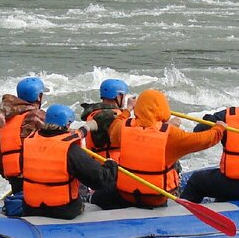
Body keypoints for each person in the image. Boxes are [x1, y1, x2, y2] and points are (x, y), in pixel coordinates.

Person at [89, 88, 225, 209]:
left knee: (98, 197)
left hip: (126, 194)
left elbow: (114, 124)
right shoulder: (172, 134)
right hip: (156, 198)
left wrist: (127, 111)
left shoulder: (123, 128)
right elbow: (204, 139)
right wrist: (219, 129)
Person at [19, 104, 116, 219]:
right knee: (83, 188)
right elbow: (99, 180)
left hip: (31, 209)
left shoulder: (28, 142)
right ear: (67, 124)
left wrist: (87, 127)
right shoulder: (70, 150)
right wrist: (111, 165)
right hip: (63, 210)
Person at [0, 76, 47, 195]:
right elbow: (61, 136)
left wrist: (10, 173)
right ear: (39, 97)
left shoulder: (1, 119)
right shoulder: (37, 116)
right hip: (36, 180)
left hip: (14, 180)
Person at [78, 78, 131, 158]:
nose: (124, 100)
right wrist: (129, 110)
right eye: (124, 96)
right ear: (118, 96)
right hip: (109, 164)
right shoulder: (108, 116)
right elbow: (125, 136)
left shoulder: (95, 112)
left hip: (95, 161)